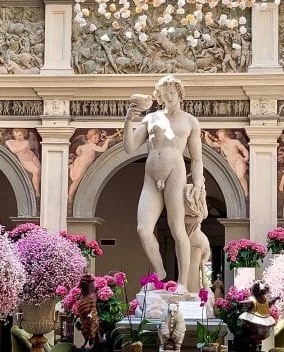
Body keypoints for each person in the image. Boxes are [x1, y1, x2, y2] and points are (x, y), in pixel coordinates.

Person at [123, 74, 204, 290]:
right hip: (151, 176)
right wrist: (128, 121)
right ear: (158, 96)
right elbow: (130, 148)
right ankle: (159, 272)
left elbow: (197, 158)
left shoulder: (189, 121)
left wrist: (197, 184)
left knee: (176, 227)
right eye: (164, 93)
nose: (169, 97)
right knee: (143, 228)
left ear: (179, 93)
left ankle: (182, 283)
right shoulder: (151, 118)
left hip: (175, 172)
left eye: (172, 92)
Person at [68, 128, 116, 203]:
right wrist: (107, 141)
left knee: (75, 179)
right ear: (89, 138)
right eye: (94, 138)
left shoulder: (85, 145)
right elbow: (102, 149)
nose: (97, 139)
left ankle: (71, 167)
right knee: (76, 180)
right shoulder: (92, 146)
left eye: (97, 138)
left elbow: (78, 152)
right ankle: (70, 196)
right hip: (82, 164)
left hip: (80, 162)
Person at [204, 129, 249, 197]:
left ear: (225, 135)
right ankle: (239, 194)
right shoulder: (221, 144)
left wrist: (246, 157)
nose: (219, 138)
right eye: (219, 137)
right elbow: (211, 144)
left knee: (240, 177)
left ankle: (246, 194)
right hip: (230, 162)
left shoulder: (234, 142)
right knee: (235, 179)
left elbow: (243, 149)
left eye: (220, 136)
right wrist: (206, 136)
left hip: (238, 161)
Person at [5, 128, 41, 198]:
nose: (18, 137)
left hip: (32, 156)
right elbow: (11, 146)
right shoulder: (14, 142)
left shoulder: (26, 142)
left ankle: (38, 187)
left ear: (24, 135)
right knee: (35, 171)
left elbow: (15, 150)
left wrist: (8, 143)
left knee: (40, 171)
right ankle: (37, 192)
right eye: (16, 136)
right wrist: (8, 142)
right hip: (25, 160)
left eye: (20, 135)